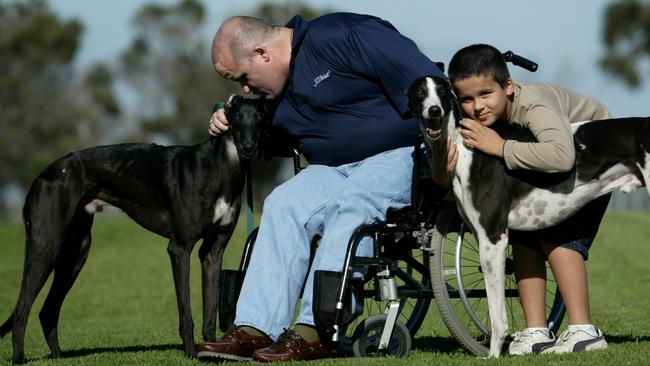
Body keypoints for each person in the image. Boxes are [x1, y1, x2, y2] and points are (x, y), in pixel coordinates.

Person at [197, 13, 445, 362]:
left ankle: (316, 329)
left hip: (401, 156)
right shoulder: (274, 95)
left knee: (351, 201)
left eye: (244, 78)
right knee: (283, 201)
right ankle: (255, 328)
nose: (246, 89)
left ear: (262, 53)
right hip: (333, 169)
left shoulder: (343, 35)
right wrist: (230, 119)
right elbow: (270, 142)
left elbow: (427, 81)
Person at [445, 43, 611, 355]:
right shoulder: (486, 119)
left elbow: (561, 156)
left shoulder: (533, 104)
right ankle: (536, 331)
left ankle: (583, 330)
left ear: (508, 87)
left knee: (558, 235)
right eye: (466, 99)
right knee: (523, 233)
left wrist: (500, 147)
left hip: (594, 151)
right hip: (541, 153)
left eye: (485, 94)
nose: (476, 106)